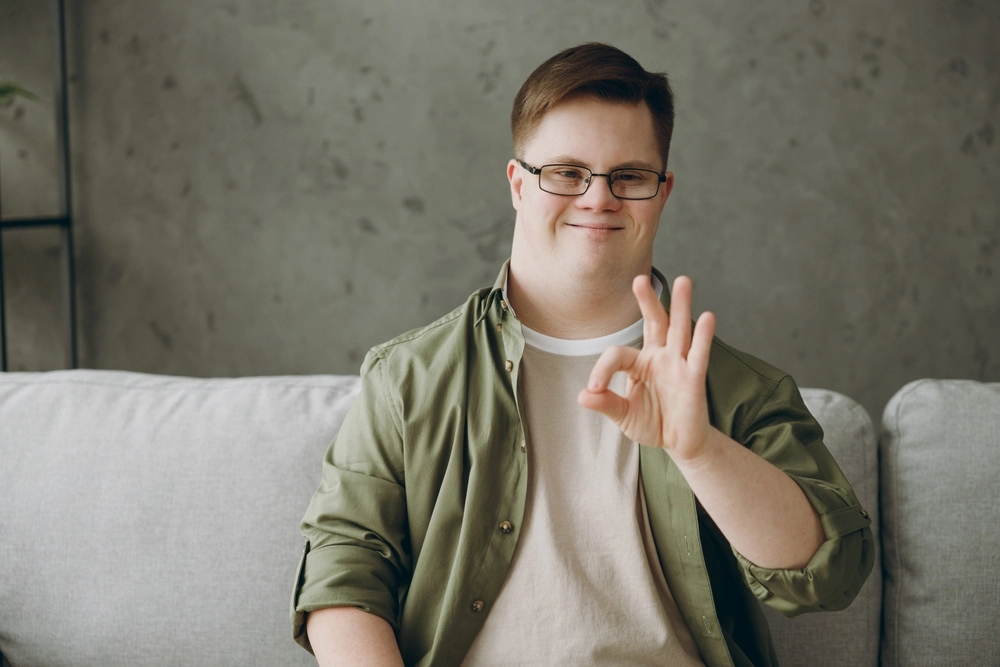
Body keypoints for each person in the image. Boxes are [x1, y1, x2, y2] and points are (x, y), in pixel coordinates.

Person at [290, 42, 874, 667]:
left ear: (663, 191)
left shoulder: (740, 387)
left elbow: (830, 572)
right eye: (566, 172)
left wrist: (699, 449)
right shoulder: (406, 377)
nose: (599, 198)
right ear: (518, 183)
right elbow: (344, 569)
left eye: (629, 176)